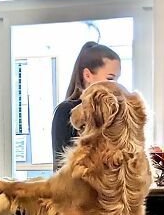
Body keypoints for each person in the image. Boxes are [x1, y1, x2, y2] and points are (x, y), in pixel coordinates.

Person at [51, 41, 121, 169]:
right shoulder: (65, 111)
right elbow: (61, 169)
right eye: (110, 78)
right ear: (87, 75)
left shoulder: (114, 112)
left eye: (117, 79)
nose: (115, 85)